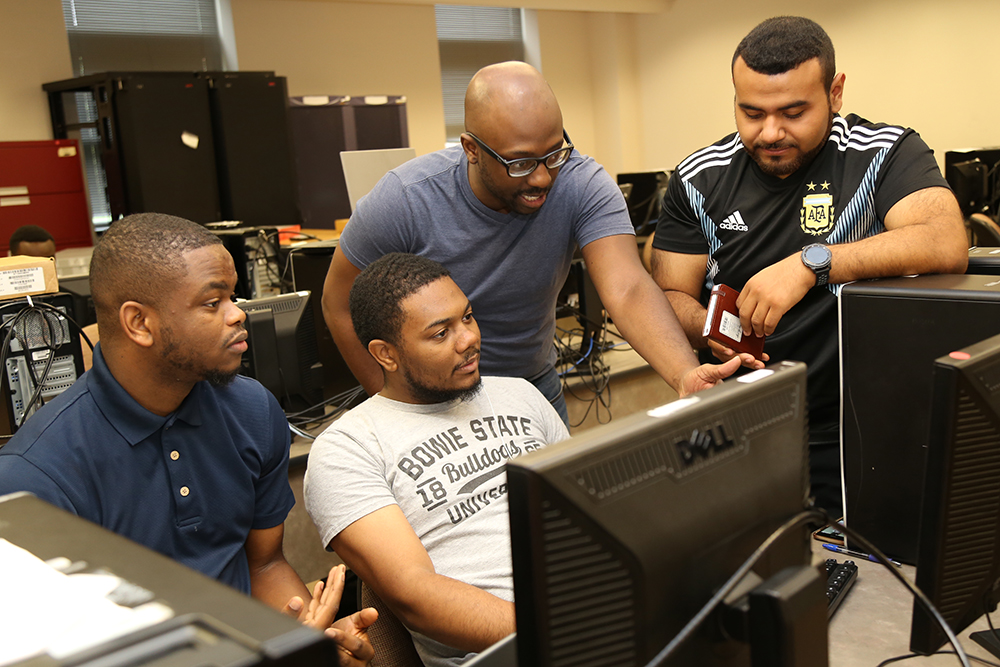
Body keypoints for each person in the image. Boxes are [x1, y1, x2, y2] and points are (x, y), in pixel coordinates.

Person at [0, 213, 375, 665]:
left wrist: (308, 646)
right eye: (212, 302)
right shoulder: (35, 478)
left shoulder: (252, 410)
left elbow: (264, 564)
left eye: (232, 295)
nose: (238, 313)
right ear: (139, 323)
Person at [649, 16, 969, 515]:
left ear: (835, 92)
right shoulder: (698, 178)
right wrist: (708, 327)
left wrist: (810, 264)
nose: (770, 131)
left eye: (793, 112)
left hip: (854, 426)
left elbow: (946, 239)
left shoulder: (882, 153)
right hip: (742, 423)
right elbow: (670, 294)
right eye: (750, 112)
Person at [323, 61, 746, 425]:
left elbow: (628, 288)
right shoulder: (406, 197)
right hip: (431, 399)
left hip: (533, 387)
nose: (542, 177)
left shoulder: (582, 183)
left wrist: (684, 374)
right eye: (520, 162)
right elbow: (339, 303)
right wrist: (394, 402)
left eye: (554, 153)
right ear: (471, 149)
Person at [305, 253, 570, 667]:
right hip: (512, 649)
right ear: (385, 354)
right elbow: (415, 594)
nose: (468, 339)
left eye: (467, 317)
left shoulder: (521, 394)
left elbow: (590, 506)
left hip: (600, 609)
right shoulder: (348, 448)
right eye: (440, 333)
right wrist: (564, 629)